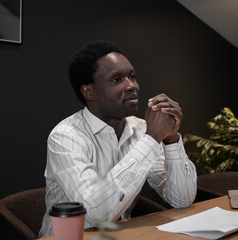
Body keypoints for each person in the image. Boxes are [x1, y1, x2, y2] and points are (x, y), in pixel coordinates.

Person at [38, 40, 197, 238]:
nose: (132, 86)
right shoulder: (65, 137)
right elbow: (98, 213)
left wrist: (171, 138)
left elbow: (181, 199)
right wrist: (153, 137)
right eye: (116, 79)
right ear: (88, 92)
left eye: (132, 76)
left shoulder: (140, 129)